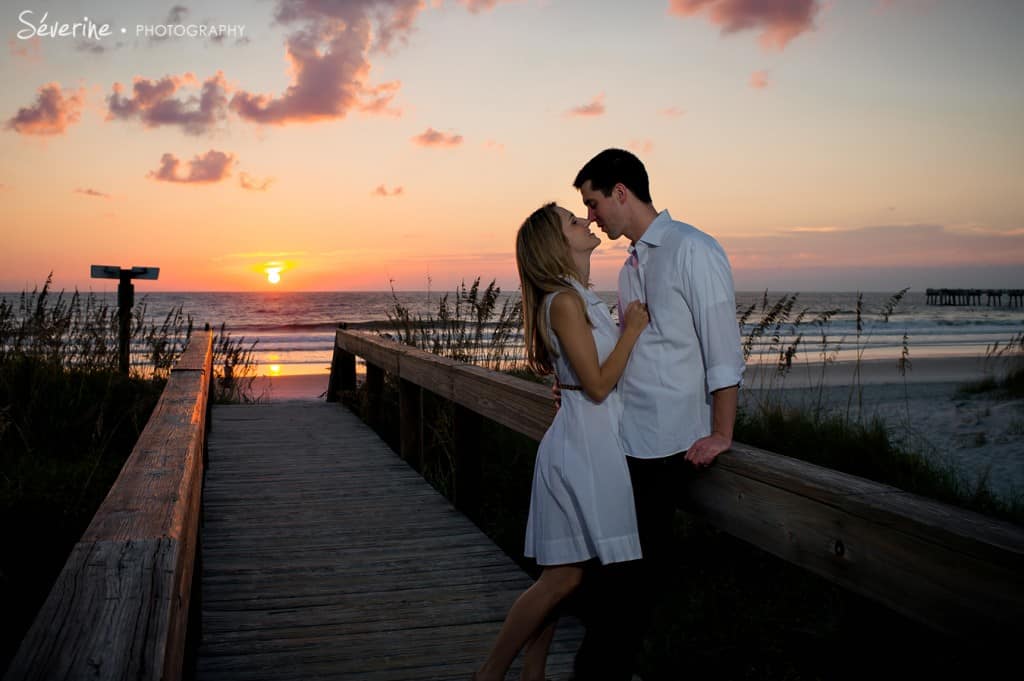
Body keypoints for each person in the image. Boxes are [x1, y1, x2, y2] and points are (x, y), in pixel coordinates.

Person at [570, 149, 746, 680]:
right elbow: (629, 354)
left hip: (670, 446)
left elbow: (723, 348)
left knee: (631, 592)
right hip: (625, 441)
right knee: (613, 585)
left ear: (622, 191)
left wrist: (722, 431)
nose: (593, 216)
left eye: (594, 203)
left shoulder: (693, 249)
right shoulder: (628, 269)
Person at [473, 202, 649, 681]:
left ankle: (531, 671)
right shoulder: (567, 302)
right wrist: (632, 331)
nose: (587, 221)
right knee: (564, 577)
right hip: (583, 447)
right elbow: (596, 384)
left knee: (564, 576)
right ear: (556, 244)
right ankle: (491, 672)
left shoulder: (575, 298)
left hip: (583, 438)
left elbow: (581, 379)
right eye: (574, 221)